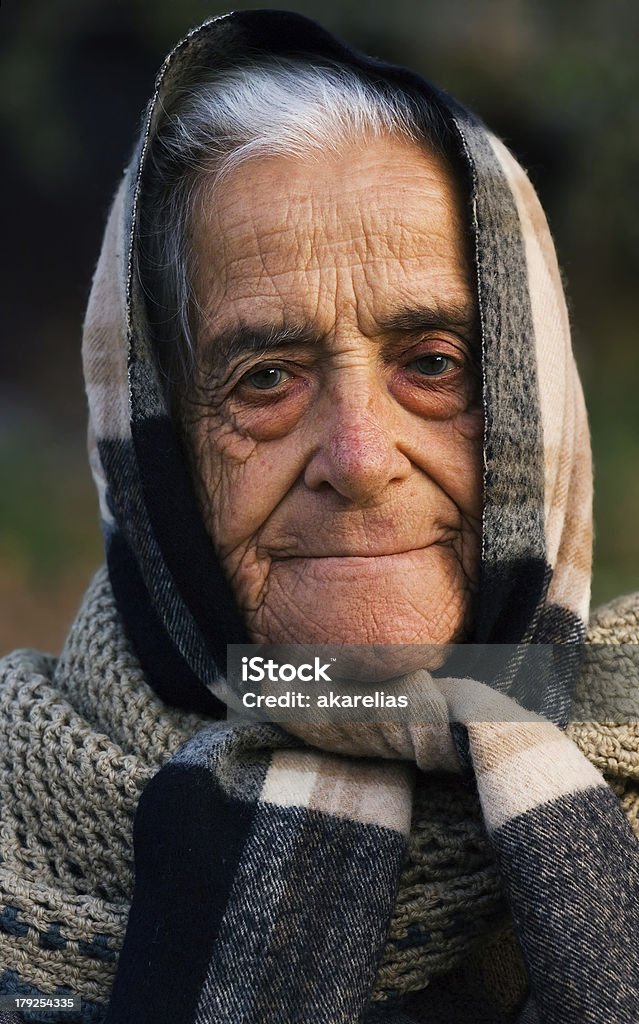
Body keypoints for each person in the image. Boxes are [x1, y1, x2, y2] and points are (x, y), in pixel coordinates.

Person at [0, 10, 637, 1024]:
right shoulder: (19, 826)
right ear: (157, 448)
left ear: (533, 409)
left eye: (434, 366)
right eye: (266, 380)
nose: (358, 458)